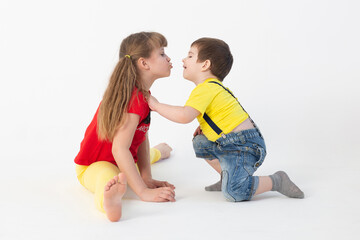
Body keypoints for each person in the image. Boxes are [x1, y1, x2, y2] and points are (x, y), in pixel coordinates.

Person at [148, 37, 304, 202]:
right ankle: (227, 175)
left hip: (243, 146)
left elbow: (184, 115)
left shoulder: (206, 88)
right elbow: (221, 115)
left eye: (190, 55)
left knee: (234, 192)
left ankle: (276, 180)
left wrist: (156, 105)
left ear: (205, 64)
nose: (183, 59)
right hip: (236, 141)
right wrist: (206, 126)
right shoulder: (212, 87)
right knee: (200, 141)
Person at [74, 32, 176, 222]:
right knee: (108, 177)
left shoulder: (143, 94)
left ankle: (158, 153)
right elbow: (119, 149)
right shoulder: (133, 98)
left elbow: (141, 136)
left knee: (135, 160)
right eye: (162, 54)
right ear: (144, 63)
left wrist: (146, 177)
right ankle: (108, 203)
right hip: (94, 165)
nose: (169, 58)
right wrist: (143, 192)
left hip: (122, 159)